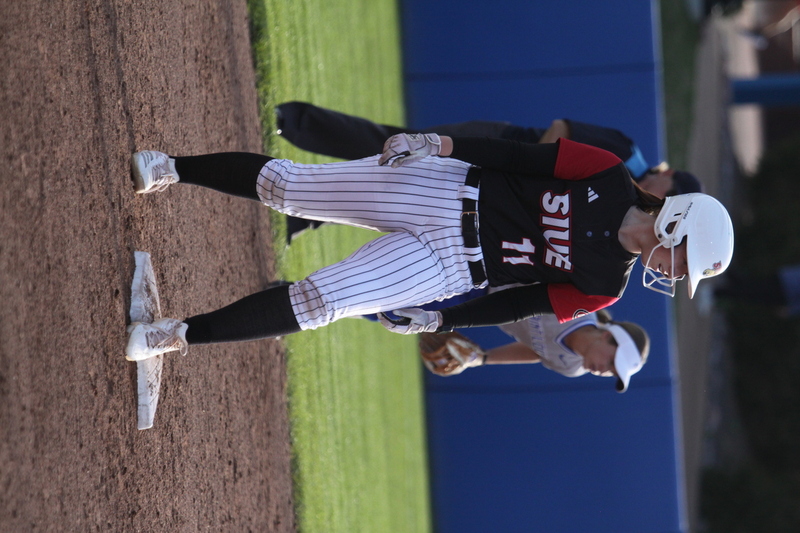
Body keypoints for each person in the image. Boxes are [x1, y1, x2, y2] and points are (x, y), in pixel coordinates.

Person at [124, 132, 733, 361]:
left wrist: (442, 315)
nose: (674, 273)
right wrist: (439, 143)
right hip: (445, 190)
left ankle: (170, 337)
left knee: (319, 304)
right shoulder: (605, 175)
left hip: (449, 266)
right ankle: (170, 168)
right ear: (678, 224)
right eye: (684, 262)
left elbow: (517, 303)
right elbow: (517, 156)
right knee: (288, 187)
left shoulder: (608, 284)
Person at [274, 102, 703, 242]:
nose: (663, 197)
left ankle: (307, 212)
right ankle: (293, 119)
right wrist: (535, 172)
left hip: (494, 184)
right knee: (393, 146)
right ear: (670, 175)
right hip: (501, 146)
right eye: (672, 190)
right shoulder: (627, 156)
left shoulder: (626, 201)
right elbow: (561, 129)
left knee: (396, 193)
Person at [431, 310, 650, 394]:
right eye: (612, 361)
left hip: (477, 303)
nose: (605, 371)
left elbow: (538, 352)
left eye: (612, 373)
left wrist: (482, 358)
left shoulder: (572, 368)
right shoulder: (576, 309)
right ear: (606, 335)